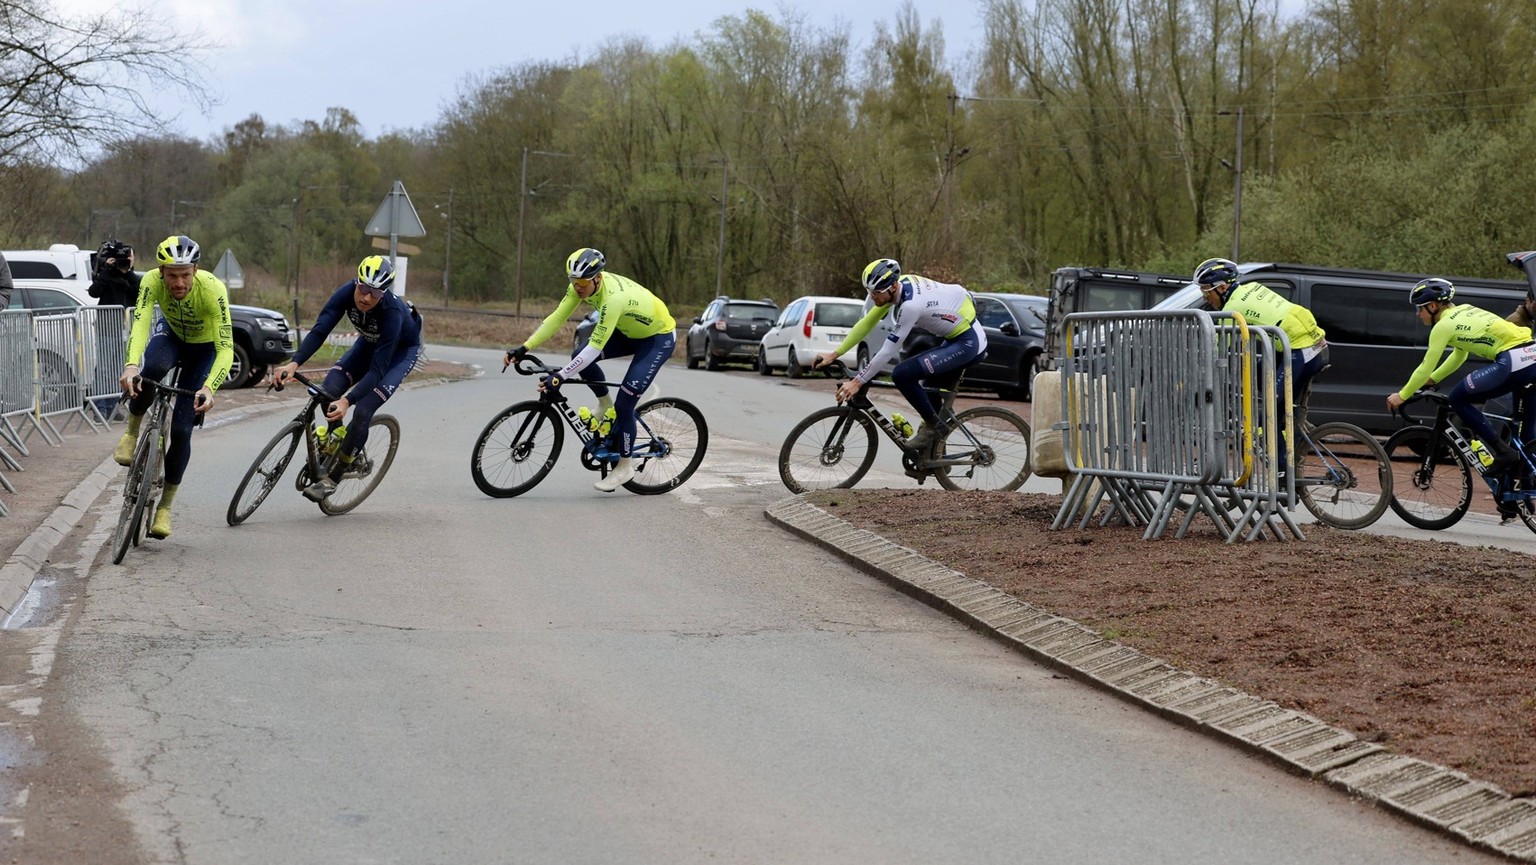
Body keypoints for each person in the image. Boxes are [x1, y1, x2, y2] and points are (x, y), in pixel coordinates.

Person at [504, 247, 676, 492]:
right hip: (629, 332)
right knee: (578, 356)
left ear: (598, 277)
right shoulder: (578, 287)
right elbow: (556, 318)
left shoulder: (613, 298)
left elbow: (595, 347)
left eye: (583, 282)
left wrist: (562, 375)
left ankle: (625, 466)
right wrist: (524, 346)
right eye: (573, 282)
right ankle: (604, 404)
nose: (578, 287)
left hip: (657, 338)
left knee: (625, 402)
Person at [113, 235, 234, 539]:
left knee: (181, 430)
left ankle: (165, 507)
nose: (178, 283)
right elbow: (140, 322)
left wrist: (210, 388)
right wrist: (131, 366)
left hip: (203, 351)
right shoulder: (151, 282)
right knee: (150, 371)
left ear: (195, 270)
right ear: (161, 271)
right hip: (171, 337)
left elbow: (226, 349)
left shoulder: (213, 290)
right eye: (172, 275)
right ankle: (131, 432)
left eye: (184, 275)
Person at [274, 255, 423, 501]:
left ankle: (336, 474)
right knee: (327, 390)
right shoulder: (345, 293)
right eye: (363, 288)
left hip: (398, 355)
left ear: (384, 293)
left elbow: (377, 371)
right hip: (368, 343)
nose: (366, 297)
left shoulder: (393, 313)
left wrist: (348, 401)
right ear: (357, 282)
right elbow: (320, 330)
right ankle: (336, 438)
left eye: (375, 293)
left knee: (363, 410)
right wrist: (293, 363)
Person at [811, 258, 988, 449]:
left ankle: (934, 429)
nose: (872, 297)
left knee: (902, 374)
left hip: (968, 342)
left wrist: (857, 382)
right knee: (928, 387)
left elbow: (889, 350)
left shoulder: (910, 305)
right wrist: (834, 354)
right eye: (869, 292)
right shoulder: (897, 286)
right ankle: (935, 453)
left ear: (893, 287)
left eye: (876, 293)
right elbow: (866, 323)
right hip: (955, 336)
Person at [1387, 277, 1536, 478]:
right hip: (1531, 354)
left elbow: (1425, 366)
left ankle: (1502, 451)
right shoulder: (1465, 310)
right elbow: (1460, 354)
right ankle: (1521, 492)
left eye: (1419, 308)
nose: (1418, 314)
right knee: (1526, 426)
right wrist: (1433, 379)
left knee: (1458, 398)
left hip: (1513, 359)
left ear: (1432, 306)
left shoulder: (1443, 326)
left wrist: (1403, 395)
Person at [1193, 257, 1329, 467]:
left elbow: (1218, 348)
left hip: (1301, 351)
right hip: (1309, 346)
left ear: (1221, 288)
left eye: (1206, 292)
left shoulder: (1233, 308)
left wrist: (1203, 372)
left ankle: (1284, 471)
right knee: (1259, 375)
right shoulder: (1252, 288)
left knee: (1269, 412)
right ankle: (1291, 428)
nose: (1206, 298)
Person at [88, 239, 139, 419]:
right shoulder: (107, 274)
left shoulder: (130, 277)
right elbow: (94, 292)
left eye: (128, 257)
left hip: (125, 331)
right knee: (103, 369)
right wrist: (107, 270)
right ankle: (99, 408)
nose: (124, 260)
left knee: (118, 370)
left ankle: (112, 406)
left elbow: (140, 291)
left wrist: (129, 271)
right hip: (107, 329)